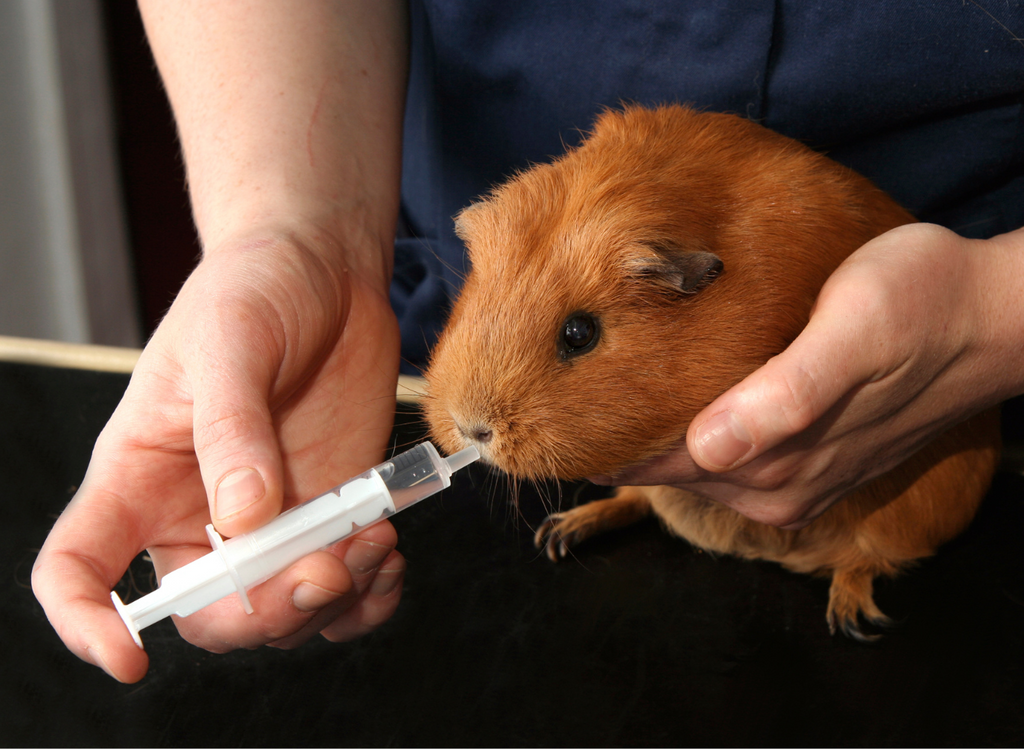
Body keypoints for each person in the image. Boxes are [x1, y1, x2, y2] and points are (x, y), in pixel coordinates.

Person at [33, 0, 1024, 683]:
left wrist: (996, 309)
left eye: (579, 333)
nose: (466, 409)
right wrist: (295, 227)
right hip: (391, 287)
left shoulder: (706, 263)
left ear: (680, 277)